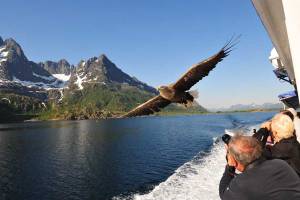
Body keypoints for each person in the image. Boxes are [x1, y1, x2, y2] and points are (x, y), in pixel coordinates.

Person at [219, 134, 300, 200]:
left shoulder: (241, 183)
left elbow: (224, 194)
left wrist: (230, 167)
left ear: (234, 161)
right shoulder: (281, 164)